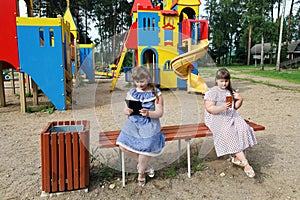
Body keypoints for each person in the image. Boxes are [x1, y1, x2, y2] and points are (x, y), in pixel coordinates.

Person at [116, 66, 165, 187]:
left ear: (148, 78)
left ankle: (141, 173)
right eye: (137, 82)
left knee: (146, 147)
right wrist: (126, 111)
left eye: (142, 81)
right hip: (134, 122)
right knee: (122, 145)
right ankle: (146, 166)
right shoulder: (131, 92)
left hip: (150, 123)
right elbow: (125, 109)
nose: (140, 84)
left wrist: (149, 113)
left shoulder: (156, 93)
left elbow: (160, 113)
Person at [204, 68, 257, 178]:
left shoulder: (230, 91)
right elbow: (209, 109)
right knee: (229, 132)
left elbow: (234, 108)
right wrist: (222, 107)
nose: (224, 83)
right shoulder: (212, 92)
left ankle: (237, 157)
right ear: (216, 80)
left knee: (244, 129)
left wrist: (239, 99)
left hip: (229, 114)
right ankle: (246, 164)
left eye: (226, 81)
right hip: (215, 117)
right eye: (221, 81)